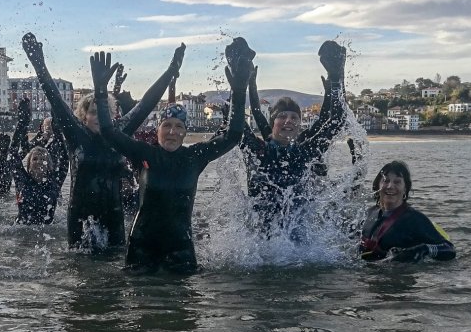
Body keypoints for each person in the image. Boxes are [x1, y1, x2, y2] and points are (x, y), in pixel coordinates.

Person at [93, 40, 250, 273]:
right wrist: (100, 92)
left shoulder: (195, 156)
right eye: (166, 125)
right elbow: (108, 132)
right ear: (157, 130)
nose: (172, 131)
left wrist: (239, 93)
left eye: (178, 126)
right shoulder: (144, 154)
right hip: (141, 247)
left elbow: (233, 135)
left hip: (181, 248)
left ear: (185, 132)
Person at [21, 32, 184, 252]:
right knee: (80, 272)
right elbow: (54, 97)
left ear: (113, 115)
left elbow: (146, 103)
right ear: (84, 116)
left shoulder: (119, 131)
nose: (99, 116)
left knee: (115, 275)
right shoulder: (75, 133)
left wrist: (171, 71)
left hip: (113, 215)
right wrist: (38, 63)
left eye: (105, 111)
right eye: (95, 112)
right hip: (80, 216)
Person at [238, 40, 348, 233]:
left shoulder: (307, 152)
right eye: (282, 116)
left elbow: (335, 121)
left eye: (294, 117)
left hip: (298, 245)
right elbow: (238, 124)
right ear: (272, 124)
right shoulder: (258, 150)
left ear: (299, 125)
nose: (288, 120)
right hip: (260, 241)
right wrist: (243, 82)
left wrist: (336, 77)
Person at [360, 161, 455, 262]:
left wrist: (423, 249)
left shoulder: (414, 219)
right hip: (367, 276)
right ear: (377, 185)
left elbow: (449, 249)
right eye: (386, 181)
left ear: (405, 188)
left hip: (398, 276)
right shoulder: (368, 213)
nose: (390, 186)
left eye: (397, 182)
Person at [9, 96, 68, 225]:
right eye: (35, 159)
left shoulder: (55, 181)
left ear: (49, 165)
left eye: (43, 159)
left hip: (48, 232)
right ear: (29, 163)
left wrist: (57, 128)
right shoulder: (21, 179)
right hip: (22, 231)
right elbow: (12, 155)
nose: (39, 162)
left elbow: (65, 159)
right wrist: (22, 122)